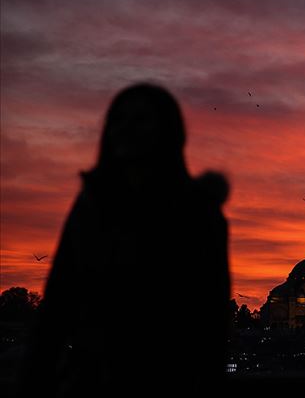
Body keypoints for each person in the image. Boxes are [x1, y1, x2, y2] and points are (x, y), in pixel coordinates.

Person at [19, 84, 230, 397]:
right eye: (120, 119)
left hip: (167, 380)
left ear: (166, 130)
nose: (128, 129)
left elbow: (211, 318)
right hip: (92, 380)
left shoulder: (197, 210)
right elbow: (59, 301)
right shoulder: (91, 205)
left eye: (141, 119)